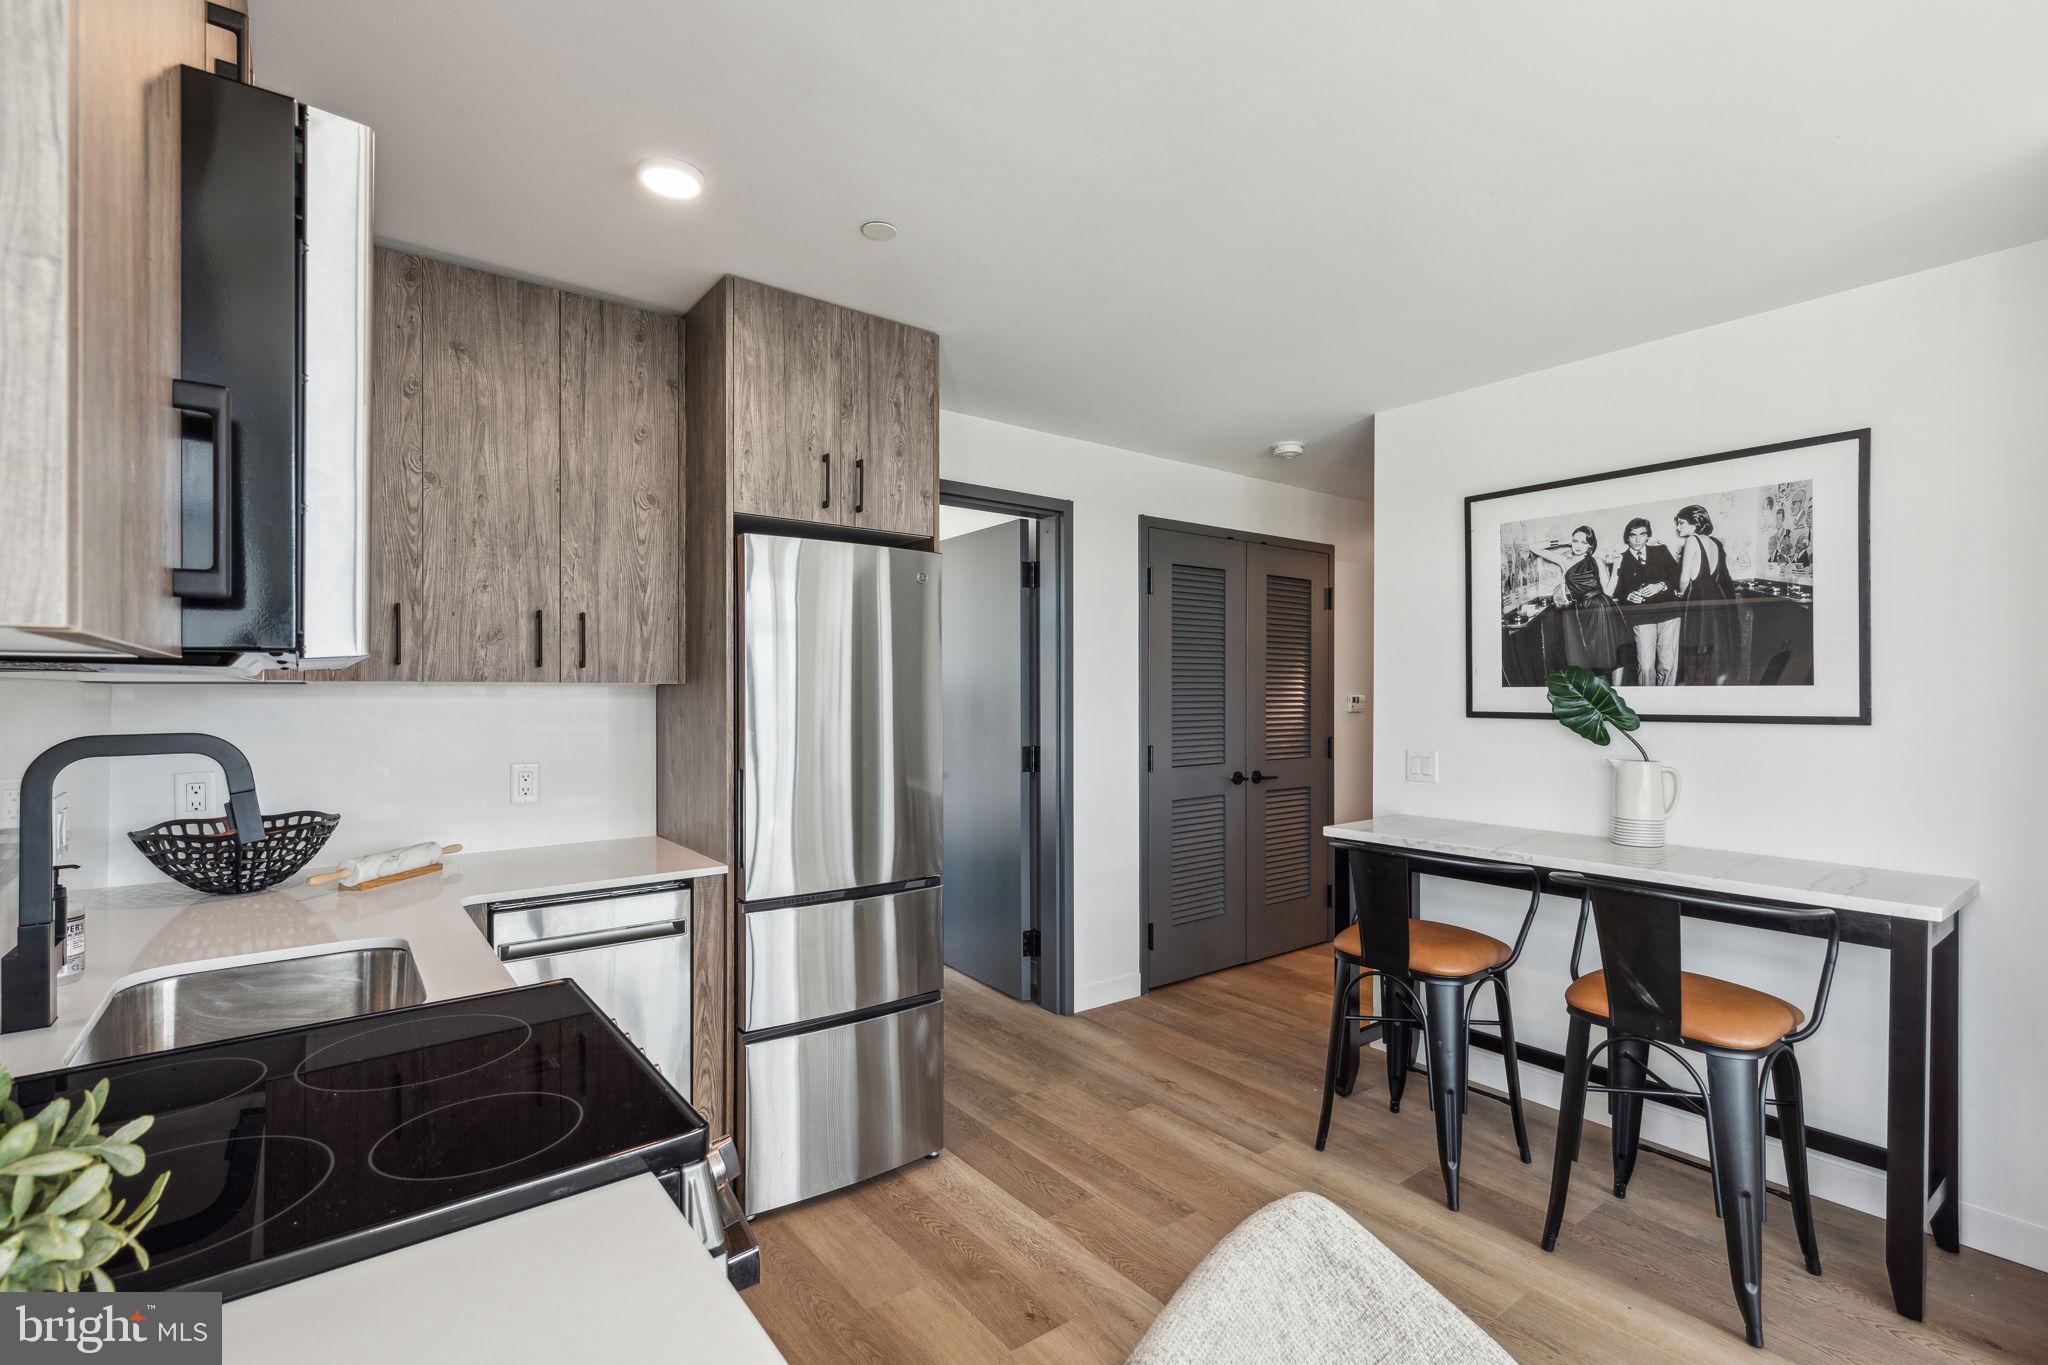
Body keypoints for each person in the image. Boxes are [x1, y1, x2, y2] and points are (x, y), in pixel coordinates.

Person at [1529, 525, 1625, 678]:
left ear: (1590, 546)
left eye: (1584, 542)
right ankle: (1597, 688)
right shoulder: (1564, 561)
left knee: (1610, 651)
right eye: (1575, 541)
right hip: (1580, 611)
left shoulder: (1597, 561)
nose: (1578, 545)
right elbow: (1533, 547)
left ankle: (1618, 689)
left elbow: (1608, 591)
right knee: (1589, 655)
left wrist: (1617, 566)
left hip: (1600, 607)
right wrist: (1564, 541)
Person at [1673, 504, 1739, 685]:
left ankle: (1693, 687)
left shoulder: (1691, 540)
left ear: (1695, 523)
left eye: (1681, 523)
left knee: (1694, 649)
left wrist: (1680, 593)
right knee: (1713, 648)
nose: (1678, 527)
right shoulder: (1715, 542)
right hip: (1717, 598)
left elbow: (1684, 578)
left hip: (1698, 598)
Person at [1612, 516, 1681, 685]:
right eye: (1633, 535)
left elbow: (1677, 577)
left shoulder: (1661, 551)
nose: (1637, 539)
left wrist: (1661, 585)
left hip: (1668, 611)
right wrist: (1629, 596)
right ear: (1627, 537)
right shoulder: (1620, 559)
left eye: (1642, 534)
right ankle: (1646, 697)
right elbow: (1617, 590)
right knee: (1645, 666)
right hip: (1641, 616)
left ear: (1648, 536)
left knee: (1668, 663)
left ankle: (1667, 696)